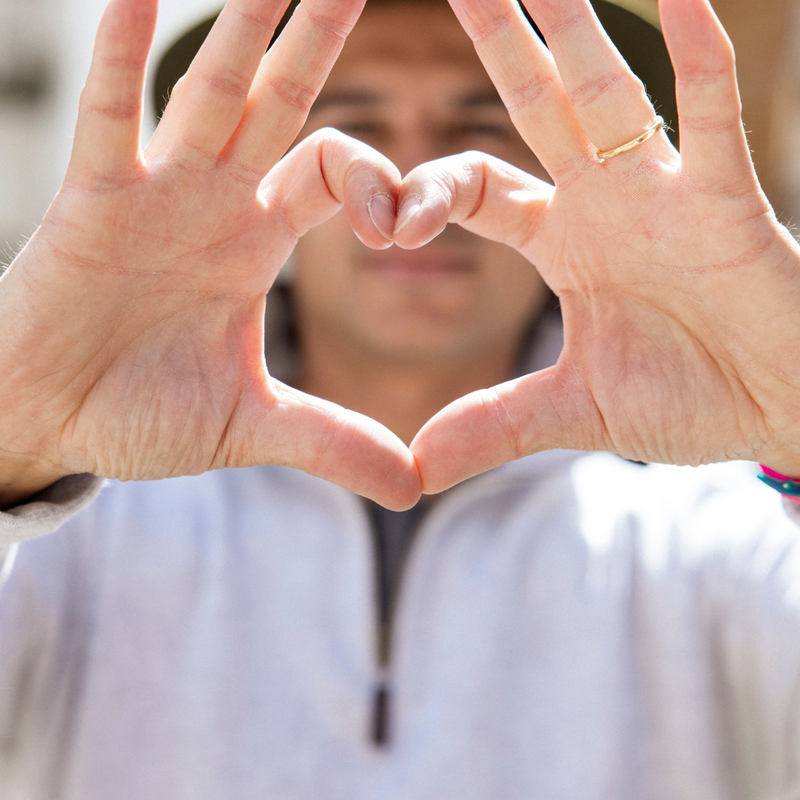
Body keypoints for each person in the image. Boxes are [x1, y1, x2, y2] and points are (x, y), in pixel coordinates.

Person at [2, 0, 800, 796]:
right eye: (356, 127)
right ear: (267, 169)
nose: (417, 178)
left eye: (482, 128)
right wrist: (12, 434)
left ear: (567, 172)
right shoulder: (72, 535)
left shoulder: (719, 543)